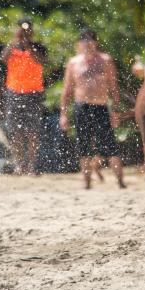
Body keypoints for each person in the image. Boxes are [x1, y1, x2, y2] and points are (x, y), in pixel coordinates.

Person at [59, 29, 125, 189]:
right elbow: (67, 90)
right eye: (84, 41)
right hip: (82, 106)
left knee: (110, 145)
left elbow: (114, 88)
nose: (88, 44)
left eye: (90, 40)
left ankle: (120, 181)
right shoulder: (74, 63)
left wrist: (115, 110)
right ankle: (87, 182)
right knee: (83, 145)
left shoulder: (105, 60)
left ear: (96, 43)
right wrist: (63, 114)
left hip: (101, 106)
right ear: (79, 44)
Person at [2, 18, 46, 175]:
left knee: (33, 132)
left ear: (32, 31)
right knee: (16, 132)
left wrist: (28, 45)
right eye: (21, 29)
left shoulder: (39, 47)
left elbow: (41, 61)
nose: (24, 33)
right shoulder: (12, 47)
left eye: (27, 30)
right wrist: (15, 40)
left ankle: (32, 166)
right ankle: (19, 165)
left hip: (33, 93)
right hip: (14, 92)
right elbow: (3, 59)